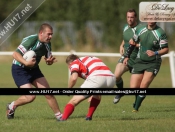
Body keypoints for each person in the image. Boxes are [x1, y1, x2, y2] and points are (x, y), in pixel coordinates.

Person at [6, 23, 62, 120]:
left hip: (34, 69)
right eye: (48, 34)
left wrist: (49, 61)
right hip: (19, 69)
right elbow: (15, 54)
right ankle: (11, 106)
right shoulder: (31, 40)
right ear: (41, 33)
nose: (50, 36)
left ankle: (60, 117)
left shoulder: (47, 44)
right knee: (30, 97)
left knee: (48, 93)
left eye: (51, 34)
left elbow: (48, 59)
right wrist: (26, 63)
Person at [123, 21, 169, 112]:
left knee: (143, 86)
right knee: (133, 87)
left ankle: (136, 108)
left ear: (156, 19)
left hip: (153, 62)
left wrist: (155, 53)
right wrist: (127, 56)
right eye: (149, 17)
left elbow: (166, 49)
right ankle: (137, 101)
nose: (151, 19)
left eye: (153, 18)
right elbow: (133, 42)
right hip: (140, 60)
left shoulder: (160, 32)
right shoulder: (140, 29)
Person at [58, 54, 115, 121]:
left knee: (73, 101)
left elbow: (74, 78)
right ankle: (88, 117)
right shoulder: (92, 58)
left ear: (69, 64)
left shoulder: (74, 62)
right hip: (112, 79)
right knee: (96, 94)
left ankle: (63, 119)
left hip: (97, 77)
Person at [113, 9, 142, 104]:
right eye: (128, 17)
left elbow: (146, 44)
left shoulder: (141, 29)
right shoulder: (125, 27)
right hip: (126, 57)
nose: (129, 19)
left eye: (132, 17)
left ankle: (137, 103)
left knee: (134, 87)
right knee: (116, 76)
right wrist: (121, 45)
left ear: (136, 18)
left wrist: (135, 45)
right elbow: (125, 39)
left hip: (138, 59)